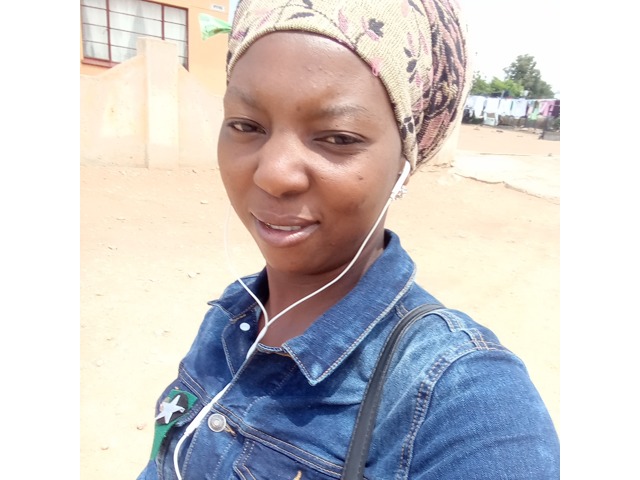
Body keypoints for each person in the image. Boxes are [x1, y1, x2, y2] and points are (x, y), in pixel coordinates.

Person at [137, 0, 560, 478]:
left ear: (405, 161)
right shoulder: (230, 319)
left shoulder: (460, 399)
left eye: (337, 137)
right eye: (246, 126)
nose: (274, 174)